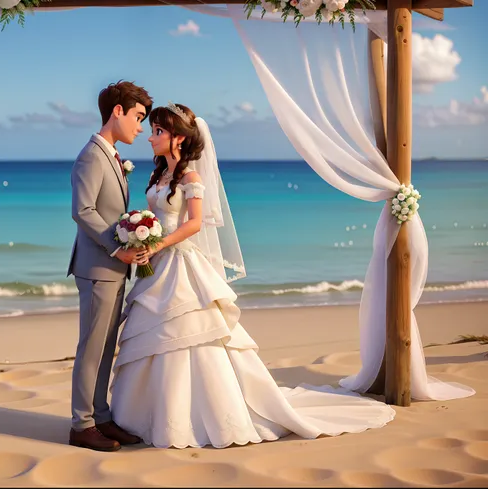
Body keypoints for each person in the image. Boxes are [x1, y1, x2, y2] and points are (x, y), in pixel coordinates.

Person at [109, 102, 395, 449]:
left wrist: (159, 244)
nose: (151, 138)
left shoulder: (190, 178)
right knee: (153, 337)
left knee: (192, 333)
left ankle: (195, 418)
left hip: (179, 262)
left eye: (158, 132)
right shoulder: (159, 176)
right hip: (157, 269)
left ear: (180, 139)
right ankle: (142, 415)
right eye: (152, 130)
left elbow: (195, 223)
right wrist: (142, 230)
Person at [66, 81, 153, 451]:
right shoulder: (91, 155)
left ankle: (100, 417)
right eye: (137, 117)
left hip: (113, 267)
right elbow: (82, 211)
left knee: (105, 348)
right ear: (117, 111)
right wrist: (118, 250)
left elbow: (108, 212)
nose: (140, 127)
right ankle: (81, 424)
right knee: (92, 347)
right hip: (98, 267)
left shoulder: (112, 155)